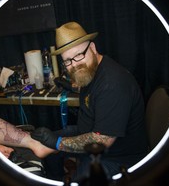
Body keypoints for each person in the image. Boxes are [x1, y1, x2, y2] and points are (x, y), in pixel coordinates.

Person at [30, 21, 149, 182]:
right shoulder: (93, 69)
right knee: (43, 146)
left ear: (92, 48)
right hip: (88, 131)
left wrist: (57, 142)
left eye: (79, 55)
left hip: (116, 157)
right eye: (67, 61)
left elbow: (101, 141)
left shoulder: (113, 84)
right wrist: (72, 87)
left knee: (59, 153)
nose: (75, 65)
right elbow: (93, 91)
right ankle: (55, 178)